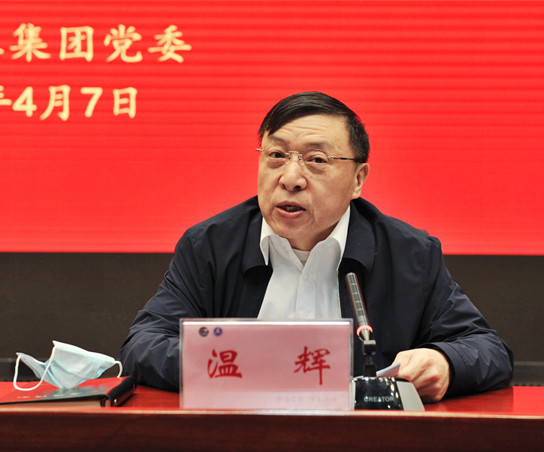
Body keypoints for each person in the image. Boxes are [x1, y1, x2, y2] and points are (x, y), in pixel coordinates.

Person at [121, 91, 513, 401]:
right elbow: (143, 344)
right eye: (276, 156)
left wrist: (445, 362)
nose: (290, 178)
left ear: (358, 180)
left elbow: (487, 349)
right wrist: (242, 364)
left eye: (317, 160)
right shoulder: (211, 245)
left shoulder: (408, 254)